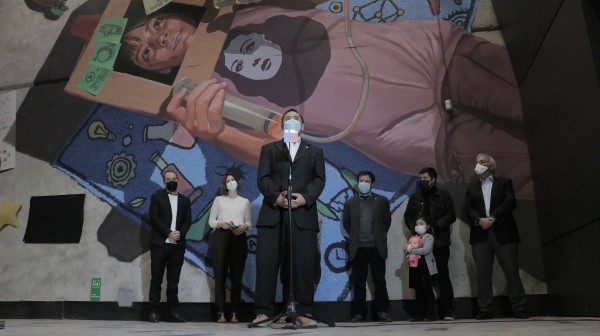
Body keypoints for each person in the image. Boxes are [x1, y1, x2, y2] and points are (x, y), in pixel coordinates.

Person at [166, 1, 533, 200]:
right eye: (145, 51)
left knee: (559, 104)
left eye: (152, 26)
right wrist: (217, 135)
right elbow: (277, 151)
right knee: (551, 168)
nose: (159, 38)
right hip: (426, 136)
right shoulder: (207, 94)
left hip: (439, 56)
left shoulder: (236, 10)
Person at [252, 109, 325, 327]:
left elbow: (319, 180)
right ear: (282, 126)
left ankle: (303, 311)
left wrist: (306, 198)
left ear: (302, 126)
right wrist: (277, 196)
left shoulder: (314, 151)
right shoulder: (270, 149)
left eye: (296, 119)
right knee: (266, 264)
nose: (292, 122)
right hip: (273, 214)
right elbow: (263, 178)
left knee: (302, 264)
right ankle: (263, 311)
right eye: (287, 119)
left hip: (302, 214)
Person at [464, 153, 529, 320]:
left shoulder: (504, 183)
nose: (478, 165)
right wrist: (480, 221)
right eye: (477, 162)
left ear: (491, 166)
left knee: (511, 271)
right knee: (483, 273)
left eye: (482, 162)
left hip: (504, 232)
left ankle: (519, 308)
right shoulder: (471, 188)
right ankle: (485, 309)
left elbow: (510, 203)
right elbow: (468, 208)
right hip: (480, 235)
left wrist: (493, 218)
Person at [404, 167, 457, 320]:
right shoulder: (415, 197)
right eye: (420, 178)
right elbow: (407, 216)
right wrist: (415, 227)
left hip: (439, 242)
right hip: (418, 244)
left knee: (442, 276)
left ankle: (448, 310)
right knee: (420, 279)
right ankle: (421, 312)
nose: (422, 181)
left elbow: (451, 215)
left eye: (425, 178)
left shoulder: (444, 195)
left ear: (433, 180)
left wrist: (435, 226)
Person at [342, 171, 393, 323]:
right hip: (358, 248)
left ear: (372, 183)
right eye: (361, 181)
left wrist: (379, 236)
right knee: (358, 282)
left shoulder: (382, 200)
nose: (363, 183)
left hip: (376, 247)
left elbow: (386, 222)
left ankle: (382, 311)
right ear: (358, 183)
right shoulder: (350, 202)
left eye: (366, 181)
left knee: (379, 281)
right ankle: (359, 313)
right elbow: (347, 224)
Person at [148, 170, 192, 323]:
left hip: (177, 246)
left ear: (178, 180)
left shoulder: (185, 200)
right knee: (156, 280)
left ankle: (172, 313)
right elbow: (154, 217)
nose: (171, 181)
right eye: (168, 179)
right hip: (160, 244)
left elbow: (188, 220)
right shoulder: (156, 197)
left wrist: (179, 234)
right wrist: (168, 233)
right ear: (164, 182)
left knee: (173, 281)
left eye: (174, 178)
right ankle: (154, 312)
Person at [208, 173, 252, 323]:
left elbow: (249, 222)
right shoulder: (219, 200)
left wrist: (245, 226)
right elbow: (211, 221)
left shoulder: (245, 201)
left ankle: (234, 312)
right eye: (228, 181)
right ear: (224, 184)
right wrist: (219, 224)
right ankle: (220, 311)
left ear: (237, 183)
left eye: (233, 180)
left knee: (237, 277)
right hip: (221, 237)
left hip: (239, 238)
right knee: (219, 276)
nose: (231, 182)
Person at [405, 218, 438, 322]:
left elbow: (426, 250)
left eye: (421, 223)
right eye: (416, 223)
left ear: (427, 226)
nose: (418, 225)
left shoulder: (429, 237)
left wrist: (412, 250)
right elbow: (409, 249)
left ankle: (432, 314)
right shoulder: (413, 237)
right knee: (418, 291)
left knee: (428, 291)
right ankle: (419, 315)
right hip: (416, 267)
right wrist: (406, 249)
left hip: (426, 267)